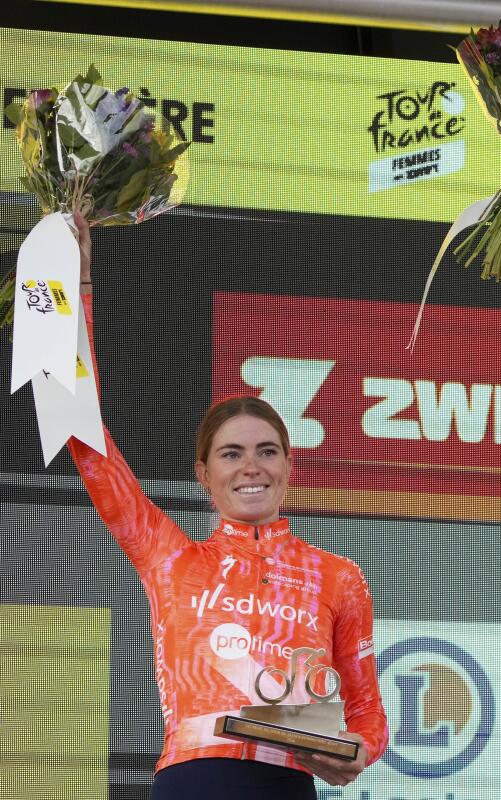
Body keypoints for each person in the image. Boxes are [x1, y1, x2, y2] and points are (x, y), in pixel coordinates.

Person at [65, 214, 388, 799]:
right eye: (231, 454)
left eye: (267, 451)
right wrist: (77, 287)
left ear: (289, 466)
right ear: (204, 476)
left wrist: (358, 750)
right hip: (195, 778)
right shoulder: (170, 558)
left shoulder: (340, 578)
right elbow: (87, 444)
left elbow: (366, 711)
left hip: (287, 786)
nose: (251, 467)